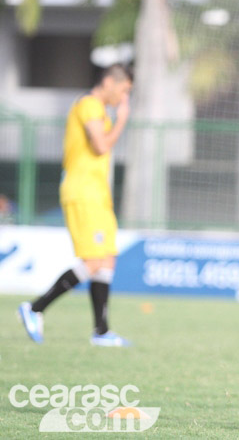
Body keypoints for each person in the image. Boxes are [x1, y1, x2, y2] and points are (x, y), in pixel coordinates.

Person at [17, 63, 133, 347]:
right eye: (124, 90)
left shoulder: (100, 110)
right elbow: (101, 146)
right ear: (109, 82)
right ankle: (35, 308)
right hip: (82, 193)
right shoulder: (91, 104)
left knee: (106, 258)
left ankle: (101, 331)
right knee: (93, 261)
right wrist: (122, 120)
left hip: (97, 195)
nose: (124, 97)